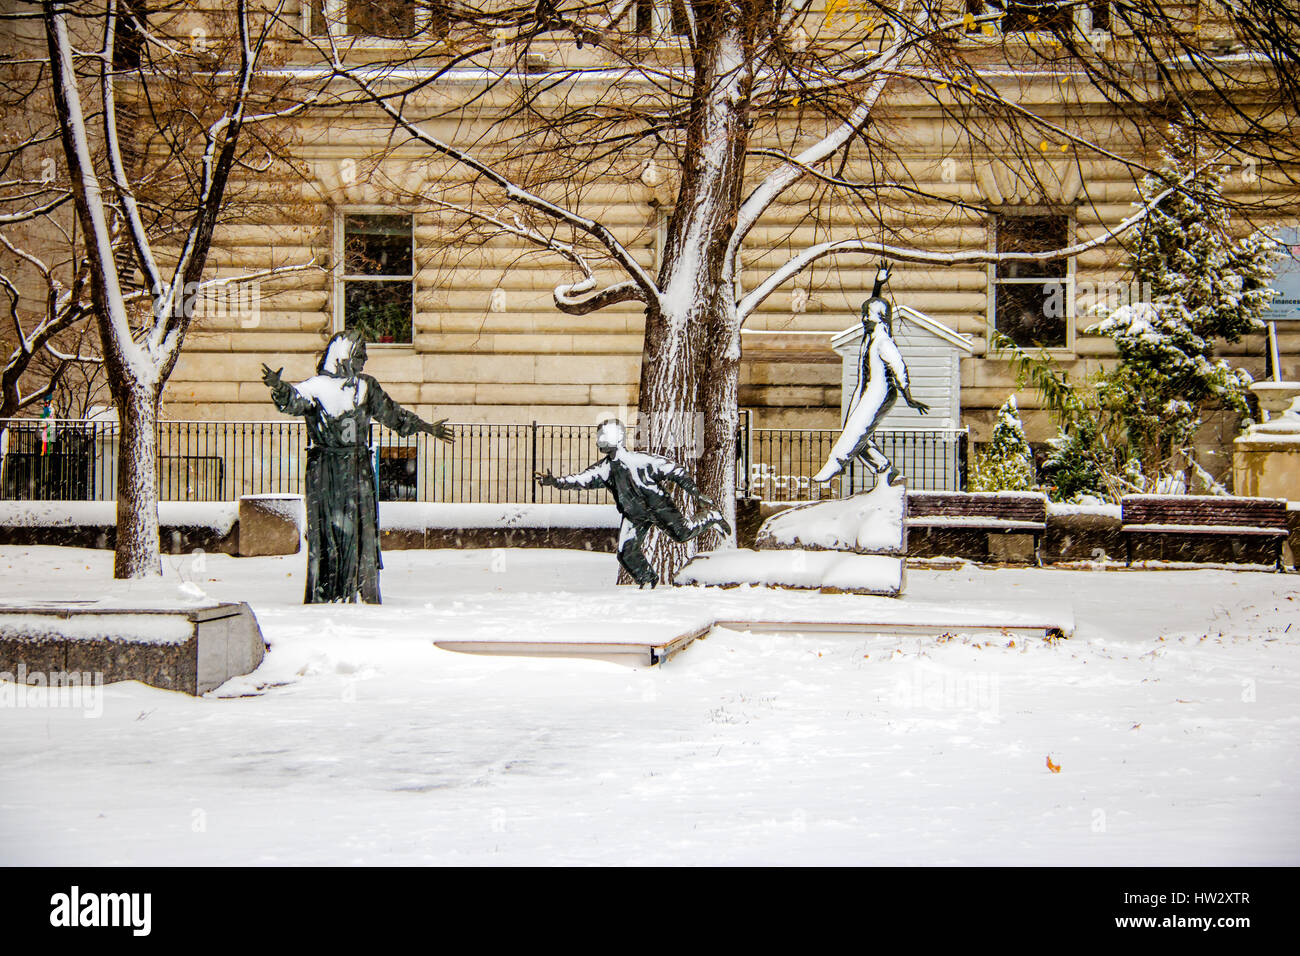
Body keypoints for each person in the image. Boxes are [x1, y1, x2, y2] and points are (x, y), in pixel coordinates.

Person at [262, 330, 453, 603]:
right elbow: (293, 401)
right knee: (328, 530)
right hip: (325, 469)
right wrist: (278, 387)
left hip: (357, 466)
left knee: (360, 529)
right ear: (344, 356)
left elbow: (393, 414)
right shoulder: (316, 387)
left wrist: (426, 427)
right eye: (360, 356)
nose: (364, 362)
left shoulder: (366, 387)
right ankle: (329, 589)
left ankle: (359, 588)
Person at [535, 419, 731, 588]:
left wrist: (696, 494)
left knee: (682, 534)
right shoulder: (604, 469)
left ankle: (711, 516)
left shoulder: (641, 461)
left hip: (659, 507)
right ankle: (648, 580)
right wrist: (554, 482)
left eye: (603, 435)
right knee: (626, 552)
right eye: (598, 436)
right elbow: (580, 480)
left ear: (617, 438)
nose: (598, 440)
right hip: (634, 515)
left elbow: (676, 470)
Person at [814, 263, 929, 486]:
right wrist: (878, 285)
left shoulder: (884, 342)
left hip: (881, 391)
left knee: (857, 429)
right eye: (863, 315)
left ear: (879, 319)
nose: (864, 319)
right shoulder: (871, 336)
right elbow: (877, 306)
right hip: (865, 388)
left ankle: (835, 465)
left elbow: (899, 368)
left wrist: (908, 397)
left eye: (868, 316)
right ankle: (884, 468)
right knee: (855, 430)